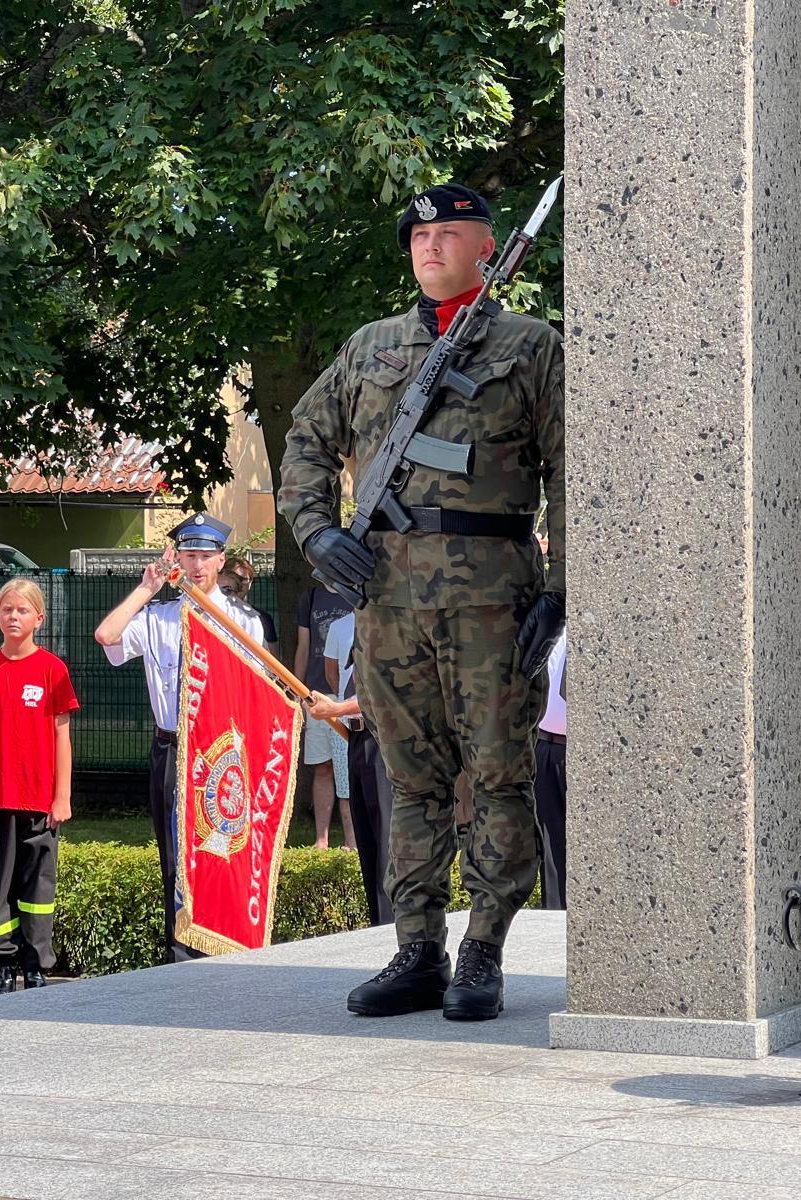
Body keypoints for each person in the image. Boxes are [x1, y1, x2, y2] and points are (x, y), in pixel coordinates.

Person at [278, 182, 565, 1021]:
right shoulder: (371, 347)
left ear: (487, 247)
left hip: (489, 594)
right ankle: (416, 948)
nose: (430, 247)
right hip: (388, 593)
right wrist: (316, 531)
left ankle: (484, 948)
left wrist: (562, 588)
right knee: (409, 780)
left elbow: (572, 466)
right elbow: (306, 441)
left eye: (448, 234)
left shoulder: (530, 345)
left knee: (500, 774)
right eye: (418, 236)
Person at [94, 513, 266, 962]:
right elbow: (107, 636)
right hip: (173, 748)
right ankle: (180, 953)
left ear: (220, 560)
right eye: (189, 555)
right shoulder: (158, 618)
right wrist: (146, 587)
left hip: (223, 753)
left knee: (224, 852)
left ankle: (225, 945)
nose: (196, 565)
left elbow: (258, 693)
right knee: (175, 855)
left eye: (205, 556)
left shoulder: (245, 622)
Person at [0, 578, 79, 993]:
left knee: (37, 888)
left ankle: (36, 965)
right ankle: (4, 965)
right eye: (7, 610)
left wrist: (61, 795)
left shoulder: (53, 670)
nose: (14, 616)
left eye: (22, 610)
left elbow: (62, 735)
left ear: (39, 618)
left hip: (40, 800)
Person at [309, 610, 392, 925]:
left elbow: (384, 691)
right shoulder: (352, 624)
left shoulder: (391, 624)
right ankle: (377, 925)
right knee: (367, 840)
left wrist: (337, 708)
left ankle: (391, 928)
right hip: (357, 738)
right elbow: (338, 677)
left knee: (385, 838)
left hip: (382, 739)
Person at [293, 584, 354, 850]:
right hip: (315, 694)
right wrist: (298, 688)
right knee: (322, 766)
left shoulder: (355, 592)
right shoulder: (311, 595)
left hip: (346, 697)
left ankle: (352, 840)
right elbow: (304, 646)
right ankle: (321, 838)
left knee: (348, 770)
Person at [534, 630, 568, 910]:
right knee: (550, 851)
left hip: (578, 751)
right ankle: (554, 920)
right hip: (545, 744)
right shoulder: (552, 628)